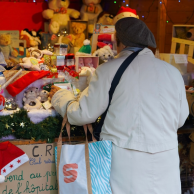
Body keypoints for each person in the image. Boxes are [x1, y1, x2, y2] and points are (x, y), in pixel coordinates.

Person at [50, 17, 189, 194]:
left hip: (126, 164)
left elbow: (83, 114)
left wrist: (61, 97)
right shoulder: (172, 72)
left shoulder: (108, 69)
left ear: (120, 41)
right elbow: (181, 118)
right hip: (165, 161)